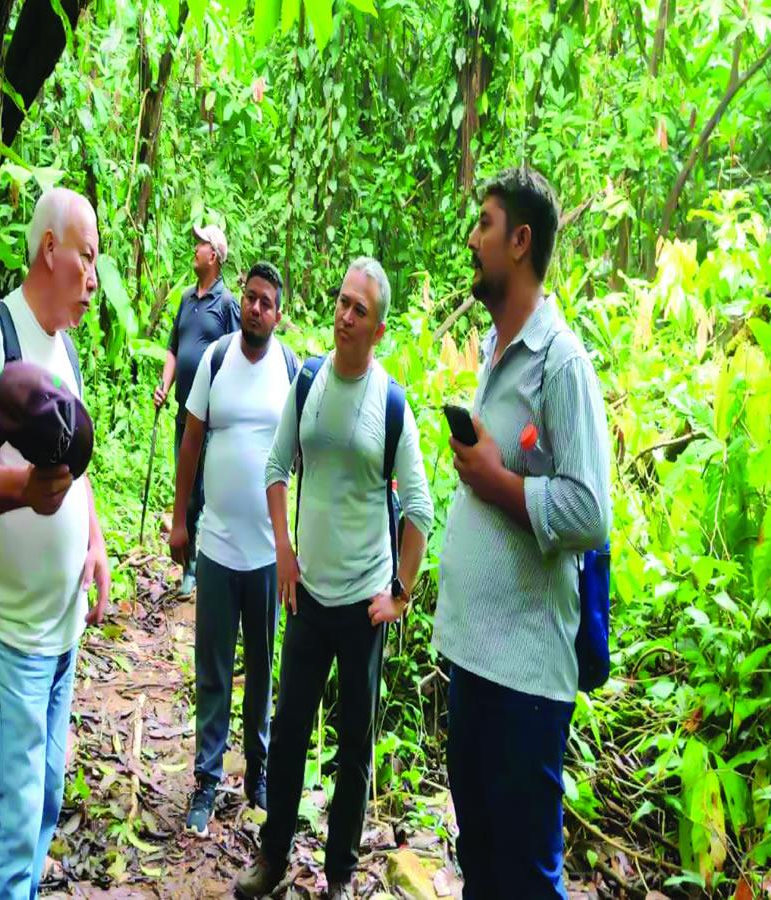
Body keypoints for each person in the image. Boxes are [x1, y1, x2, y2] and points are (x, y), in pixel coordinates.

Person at [436, 167, 611, 899]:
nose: (473, 238)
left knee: (528, 878)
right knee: (480, 857)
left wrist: (493, 479)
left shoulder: (562, 362)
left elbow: (589, 511)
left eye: (484, 224)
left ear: (521, 241)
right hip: (473, 661)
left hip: (526, 682)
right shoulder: (494, 350)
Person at [236, 258, 434, 900]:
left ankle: (341, 874)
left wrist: (400, 593)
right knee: (289, 728)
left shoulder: (391, 403)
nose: (345, 317)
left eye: (360, 311)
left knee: (354, 749)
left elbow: (420, 509)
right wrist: (285, 553)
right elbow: (275, 466)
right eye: (342, 303)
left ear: (378, 331)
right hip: (308, 595)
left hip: (363, 607)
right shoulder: (309, 381)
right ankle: (273, 859)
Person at [0, 187, 111, 900]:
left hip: (62, 623)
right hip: (16, 628)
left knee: (46, 793)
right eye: (87, 257)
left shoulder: (64, 347)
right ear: (50, 249)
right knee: (16, 818)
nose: (93, 279)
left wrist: (95, 544)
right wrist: (21, 491)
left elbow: (73, 469)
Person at [168, 262, 297, 836]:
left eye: (267, 302)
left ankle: (258, 773)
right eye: (249, 298)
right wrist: (180, 523)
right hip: (217, 546)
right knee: (214, 668)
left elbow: (302, 457)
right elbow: (191, 442)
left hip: (269, 553)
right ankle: (206, 777)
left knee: (262, 668)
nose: (255, 308)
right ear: (239, 300)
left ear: (278, 313)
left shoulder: (290, 369)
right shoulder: (216, 359)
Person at [153, 223, 241, 595]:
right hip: (183, 414)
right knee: (186, 488)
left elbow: (238, 355)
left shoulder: (227, 304)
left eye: (201, 244)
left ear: (215, 256)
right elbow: (175, 347)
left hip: (213, 420)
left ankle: (203, 567)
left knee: (206, 493)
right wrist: (164, 385)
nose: (195, 249)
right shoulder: (187, 298)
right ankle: (190, 566)